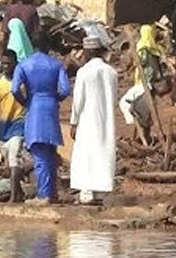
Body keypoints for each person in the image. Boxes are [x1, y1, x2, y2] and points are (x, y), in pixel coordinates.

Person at [11, 33, 69, 204]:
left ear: (33, 47)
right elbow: (65, 89)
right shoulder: (56, 64)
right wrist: (53, 98)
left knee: (39, 154)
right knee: (50, 152)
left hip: (34, 106)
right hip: (51, 107)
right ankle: (51, 193)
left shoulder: (24, 65)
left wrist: (26, 102)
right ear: (48, 47)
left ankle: (44, 195)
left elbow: (15, 89)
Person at [69, 36, 118, 205]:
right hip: (105, 119)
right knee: (103, 151)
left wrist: (74, 121)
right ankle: (99, 192)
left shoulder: (84, 72)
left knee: (87, 153)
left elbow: (78, 100)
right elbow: (114, 98)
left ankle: (87, 192)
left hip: (87, 119)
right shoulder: (112, 72)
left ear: (89, 51)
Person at [120, 24, 167, 146]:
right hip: (152, 84)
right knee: (146, 109)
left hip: (144, 83)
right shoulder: (155, 48)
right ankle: (143, 135)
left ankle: (142, 134)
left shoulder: (143, 48)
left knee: (128, 103)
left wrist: (134, 59)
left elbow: (141, 62)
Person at [0, 50, 26, 202]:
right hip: (2, 126)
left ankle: (14, 196)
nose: (5, 66)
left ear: (15, 63)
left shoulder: (21, 83)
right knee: (8, 161)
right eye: (3, 63)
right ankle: (18, 192)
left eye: (8, 63)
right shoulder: (1, 82)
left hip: (17, 124)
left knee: (14, 159)